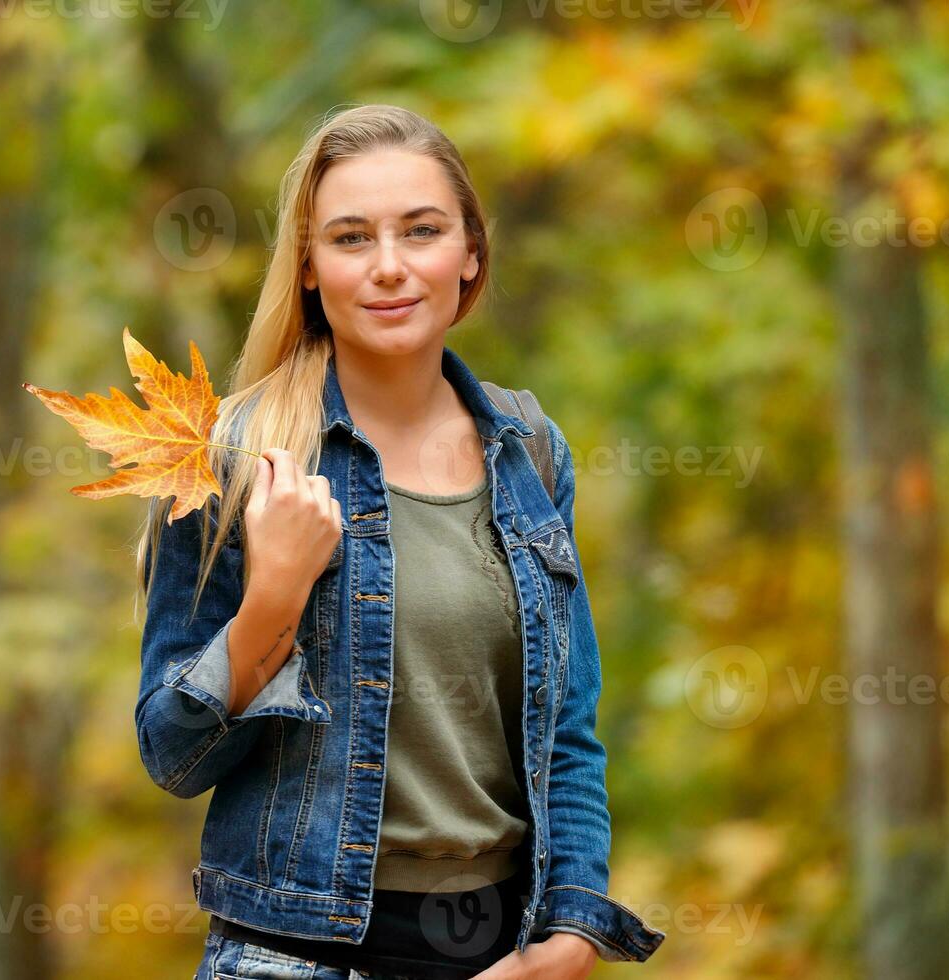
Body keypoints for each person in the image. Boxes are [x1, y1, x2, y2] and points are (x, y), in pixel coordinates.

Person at [134, 104, 665, 979]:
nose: (389, 268)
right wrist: (275, 596)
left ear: (470, 256)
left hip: (499, 953)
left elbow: (567, 730)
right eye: (350, 239)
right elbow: (174, 752)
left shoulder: (529, 450)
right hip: (292, 956)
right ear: (307, 267)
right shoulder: (234, 461)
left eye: (421, 231)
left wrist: (566, 944)